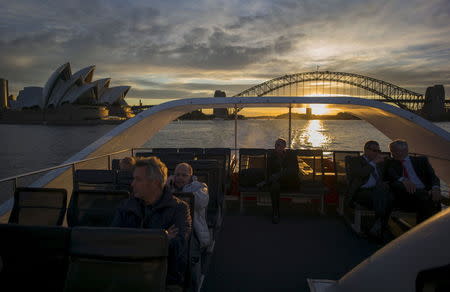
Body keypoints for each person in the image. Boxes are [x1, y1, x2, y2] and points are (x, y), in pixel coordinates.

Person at [111, 157, 192, 292]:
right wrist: (162, 238)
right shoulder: (126, 206)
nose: (132, 184)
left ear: (154, 183)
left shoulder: (179, 209)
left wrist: (131, 241)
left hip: (164, 279)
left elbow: (177, 248)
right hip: (127, 275)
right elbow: (113, 241)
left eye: (138, 179)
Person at [167, 162, 210, 291]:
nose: (180, 178)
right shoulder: (168, 188)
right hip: (172, 230)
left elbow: (201, 202)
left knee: (189, 256)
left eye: (184, 175)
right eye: (177, 175)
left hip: (193, 232)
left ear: (191, 177)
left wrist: (179, 193)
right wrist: (166, 185)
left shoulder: (200, 187)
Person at [385, 139, 441, 224]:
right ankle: (424, 230)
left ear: (407, 150)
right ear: (391, 151)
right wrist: (402, 179)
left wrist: (435, 188)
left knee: (429, 199)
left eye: (401, 151)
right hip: (406, 195)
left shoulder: (421, 161)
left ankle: (423, 230)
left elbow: (433, 176)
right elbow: (391, 175)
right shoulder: (390, 163)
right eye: (395, 151)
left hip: (425, 193)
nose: (398, 153)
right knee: (429, 201)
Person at [346, 141, 393, 239]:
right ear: (366, 150)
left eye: (378, 150)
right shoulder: (355, 161)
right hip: (361, 191)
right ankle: (380, 224)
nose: (377, 153)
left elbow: (388, 175)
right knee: (385, 196)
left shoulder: (381, 162)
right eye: (374, 150)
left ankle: (378, 224)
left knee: (386, 194)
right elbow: (361, 173)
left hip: (378, 190)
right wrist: (373, 163)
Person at [258, 138, 300, 224]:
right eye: (275, 145)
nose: (275, 147)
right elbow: (268, 171)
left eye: (278, 145)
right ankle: (275, 213)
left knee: (286, 172)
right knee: (274, 186)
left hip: (290, 182)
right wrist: (274, 177)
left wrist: (279, 175)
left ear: (284, 146)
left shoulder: (291, 155)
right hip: (277, 182)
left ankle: (267, 182)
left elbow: (295, 171)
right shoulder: (271, 156)